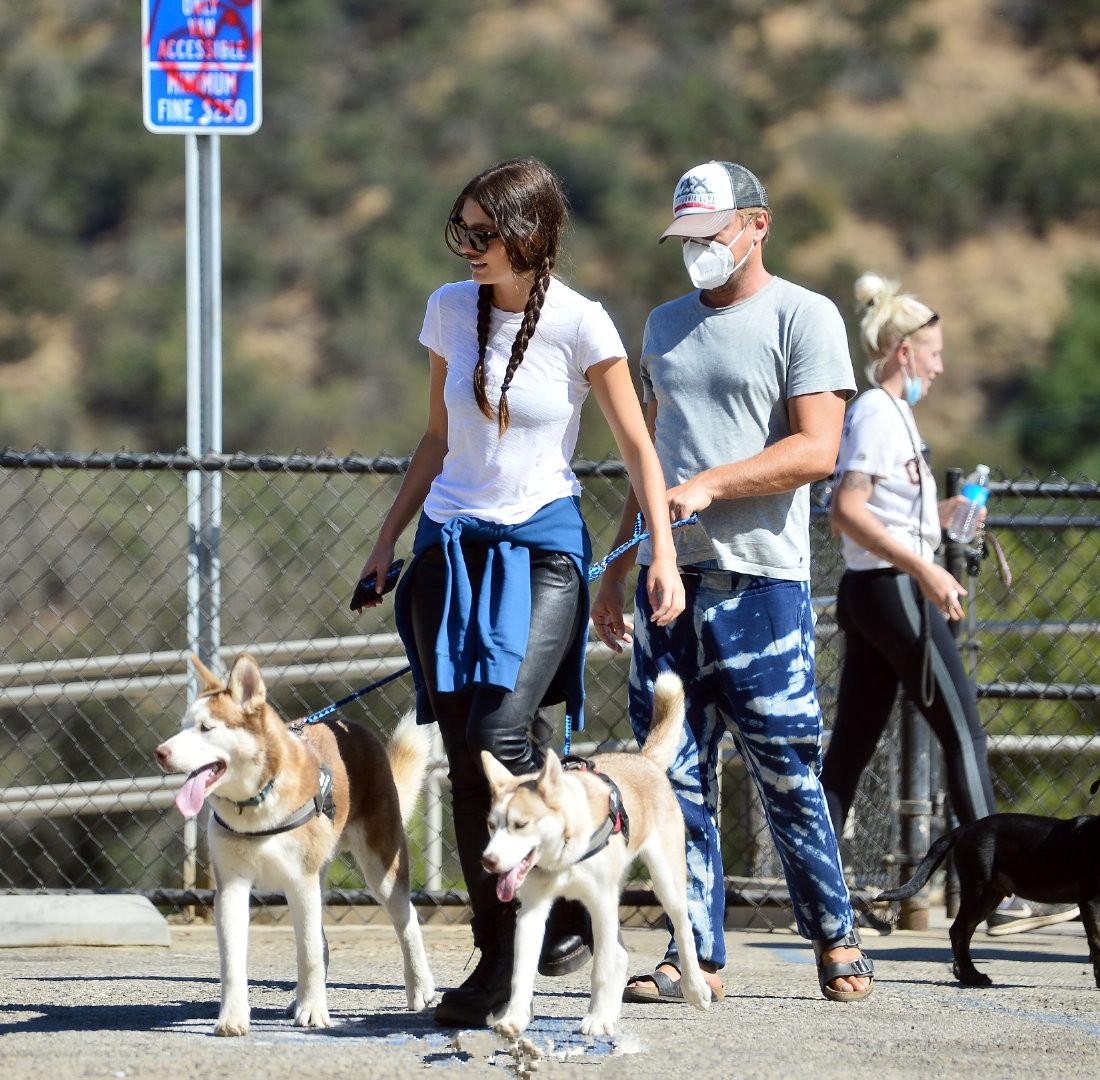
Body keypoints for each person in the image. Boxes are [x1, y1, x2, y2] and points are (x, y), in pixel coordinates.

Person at [355, 157, 686, 1028]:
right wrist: (387, 541)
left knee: (505, 727)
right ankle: (513, 945)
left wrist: (661, 556)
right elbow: (435, 437)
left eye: (483, 232)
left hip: (542, 546)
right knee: (470, 746)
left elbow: (640, 450)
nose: (467, 247)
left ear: (530, 236)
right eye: (459, 230)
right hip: (450, 546)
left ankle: (533, 937)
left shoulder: (583, 325)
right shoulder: (446, 310)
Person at [591, 160, 873, 1003]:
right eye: (686, 239)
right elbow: (650, 465)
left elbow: (819, 449)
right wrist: (616, 565)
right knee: (674, 777)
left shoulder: (805, 316)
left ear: (756, 225)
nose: (697, 253)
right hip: (666, 581)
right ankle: (693, 953)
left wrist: (711, 484)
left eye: (711, 236)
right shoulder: (661, 326)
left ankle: (833, 935)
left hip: (761, 586)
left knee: (787, 771)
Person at [818, 272, 1079, 937]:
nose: (940, 365)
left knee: (849, 750)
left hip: (873, 591)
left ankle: (812, 887)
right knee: (963, 732)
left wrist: (942, 516)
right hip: (893, 591)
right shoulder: (878, 409)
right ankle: (999, 893)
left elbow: (883, 512)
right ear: (904, 350)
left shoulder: (890, 414)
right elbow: (846, 510)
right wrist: (926, 569)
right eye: (933, 352)